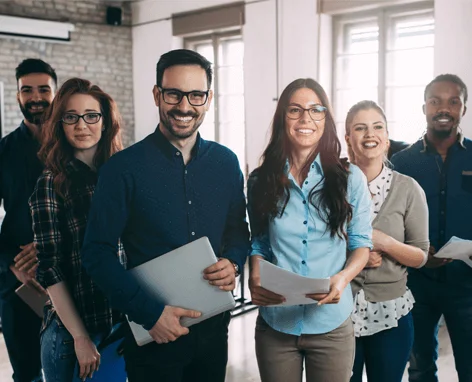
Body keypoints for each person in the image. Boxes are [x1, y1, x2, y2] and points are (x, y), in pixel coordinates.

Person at [80, 49, 250, 382]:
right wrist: (150, 314)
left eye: (196, 95)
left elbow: (238, 233)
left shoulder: (226, 163)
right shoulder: (122, 169)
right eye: (174, 94)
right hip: (152, 337)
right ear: (157, 94)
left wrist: (232, 263)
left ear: (209, 98)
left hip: (214, 332)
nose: (185, 106)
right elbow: (95, 253)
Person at [247, 78, 372, 382]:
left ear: (326, 119)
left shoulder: (350, 178)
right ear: (282, 118)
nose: (306, 119)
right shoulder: (260, 179)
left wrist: (343, 278)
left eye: (316, 110)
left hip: (331, 325)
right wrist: (255, 274)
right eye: (295, 110)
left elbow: (361, 244)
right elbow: (260, 242)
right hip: (276, 324)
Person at [29, 77, 125, 381]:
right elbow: (50, 268)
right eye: (71, 117)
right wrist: (81, 338)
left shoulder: (122, 175)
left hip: (121, 326)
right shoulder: (50, 183)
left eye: (91, 115)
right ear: (60, 123)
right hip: (74, 337)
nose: (82, 125)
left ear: (105, 121)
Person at [391, 74, 472, 382]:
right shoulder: (402, 162)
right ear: (424, 107)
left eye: (453, 101)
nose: (444, 108)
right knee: (421, 367)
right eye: (436, 101)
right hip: (417, 284)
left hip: (468, 285)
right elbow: (390, 220)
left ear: (463, 108)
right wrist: (419, 252)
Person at [345, 100, 429, 382]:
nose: (370, 134)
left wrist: (385, 243)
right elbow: (312, 245)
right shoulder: (329, 187)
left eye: (377, 126)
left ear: (386, 136)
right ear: (348, 139)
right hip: (338, 311)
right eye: (360, 128)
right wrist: (357, 255)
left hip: (391, 314)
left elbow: (421, 256)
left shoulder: (408, 189)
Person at [0, 58, 57, 382]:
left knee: (74, 366)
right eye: (27, 90)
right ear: (18, 95)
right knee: (27, 374)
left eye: (43, 89)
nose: (36, 97)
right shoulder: (3, 152)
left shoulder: (73, 146)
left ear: (55, 92)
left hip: (71, 275)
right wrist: (12, 263)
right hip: (19, 284)